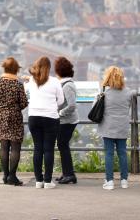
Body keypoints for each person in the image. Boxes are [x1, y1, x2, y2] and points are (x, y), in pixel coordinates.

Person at [26, 56, 64, 189]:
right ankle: (48, 181)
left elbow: (27, 96)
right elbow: (61, 100)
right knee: (48, 149)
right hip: (50, 117)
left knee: (38, 148)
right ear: (49, 68)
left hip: (34, 117)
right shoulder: (55, 82)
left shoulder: (31, 80)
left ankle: (38, 180)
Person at [0, 57, 28, 186]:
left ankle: (5, 176)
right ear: (16, 70)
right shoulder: (18, 85)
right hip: (15, 116)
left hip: (0, 116)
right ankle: (12, 176)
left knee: (4, 146)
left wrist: (1, 107)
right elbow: (23, 103)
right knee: (15, 147)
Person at [98, 66, 133, 190]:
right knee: (122, 153)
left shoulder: (104, 93)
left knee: (109, 154)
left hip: (108, 126)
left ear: (108, 77)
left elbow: (95, 107)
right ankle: (124, 180)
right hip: (122, 126)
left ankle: (110, 181)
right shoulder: (129, 92)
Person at [55, 56, 78, 184]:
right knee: (62, 146)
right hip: (65, 121)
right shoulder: (66, 84)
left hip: (67, 121)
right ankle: (66, 173)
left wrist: (60, 113)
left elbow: (72, 105)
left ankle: (69, 174)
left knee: (63, 146)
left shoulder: (67, 86)